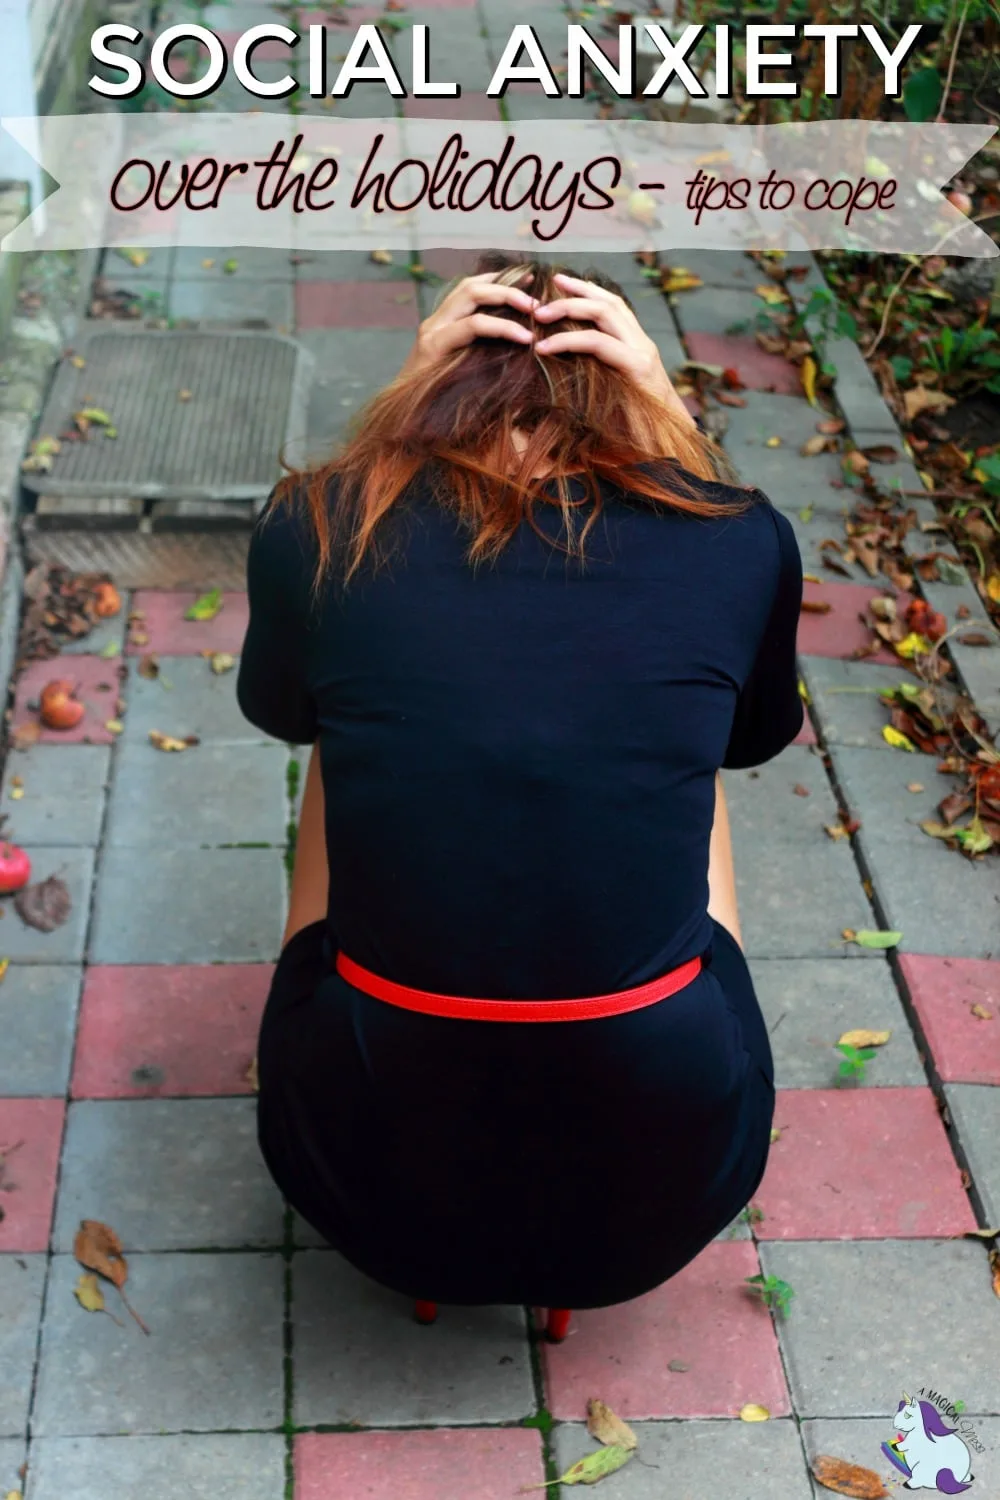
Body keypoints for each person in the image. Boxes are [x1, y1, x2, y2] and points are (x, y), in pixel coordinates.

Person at [236, 254, 804, 1312]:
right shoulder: (745, 541)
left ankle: (362, 989)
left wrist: (397, 414)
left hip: (360, 1171)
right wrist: (674, 420)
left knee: (339, 736)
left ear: (441, 382)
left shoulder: (311, 524)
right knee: (691, 746)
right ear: (628, 393)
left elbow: (281, 714)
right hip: (662, 1186)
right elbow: (752, 740)